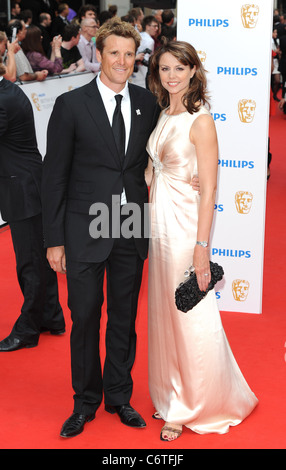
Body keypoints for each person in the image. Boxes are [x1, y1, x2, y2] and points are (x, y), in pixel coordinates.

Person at [41, 17, 160, 439]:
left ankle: (119, 396)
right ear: (100, 54)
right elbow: (53, 176)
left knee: (123, 318)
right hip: (84, 228)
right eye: (114, 53)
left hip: (129, 224)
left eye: (129, 54)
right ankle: (85, 401)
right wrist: (53, 239)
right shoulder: (72, 106)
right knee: (86, 315)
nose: (122, 62)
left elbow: (157, 162)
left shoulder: (149, 104)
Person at [146, 40, 258, 442]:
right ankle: (171, 392)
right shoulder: (165, 113)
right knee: (165, 315)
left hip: (184, 230)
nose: (172, 76)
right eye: (164, 69)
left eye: (179, 68)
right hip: (159, 228)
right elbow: (152, 170)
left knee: (188, 316)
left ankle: (193, 403)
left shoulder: (201, 120)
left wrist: (201, 246)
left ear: (194, 71)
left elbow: (209, 191)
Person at [0, 57, 65, 352]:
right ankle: (51, 316)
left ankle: (27, 329)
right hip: (27, 183)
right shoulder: (8, 90)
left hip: (23, 187)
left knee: (30, 264)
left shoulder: (3, 99)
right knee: (38, 259)